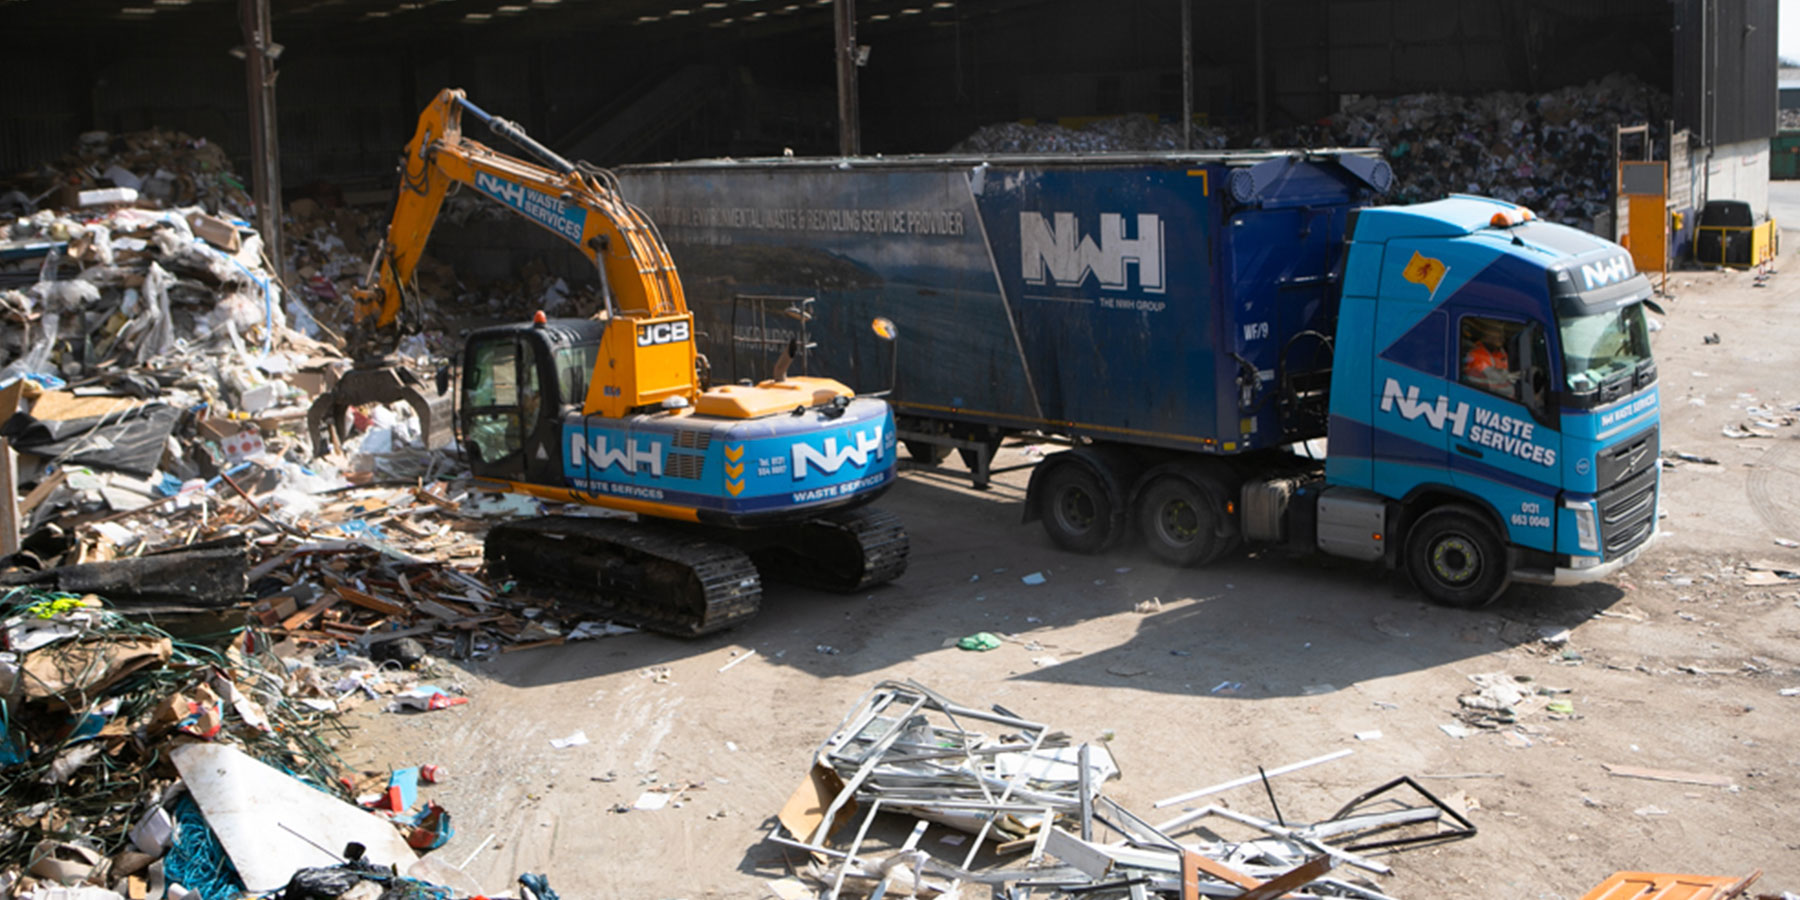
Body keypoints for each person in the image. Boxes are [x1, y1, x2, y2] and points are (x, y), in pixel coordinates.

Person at [1463, 320, 1516, 398]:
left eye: (1502, 332)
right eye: (1498, 331)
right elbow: (1490, 386)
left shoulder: (1501, 353)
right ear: (1487, 334)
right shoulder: (1477, 355)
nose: (1502, 336)